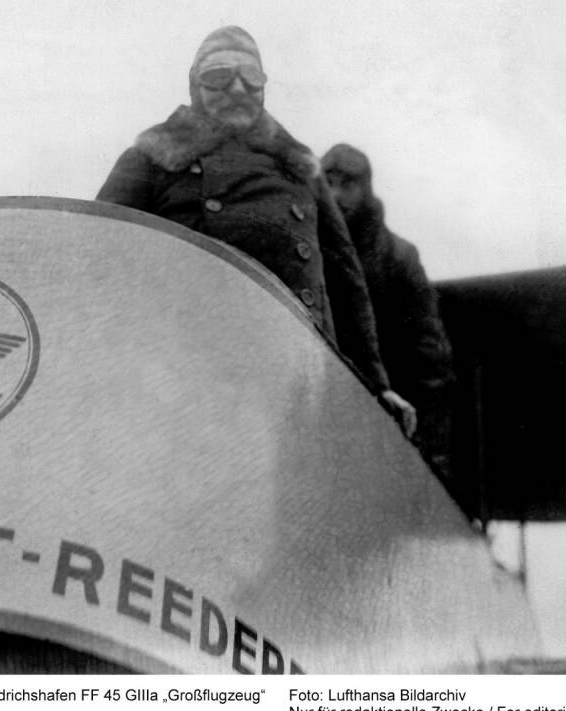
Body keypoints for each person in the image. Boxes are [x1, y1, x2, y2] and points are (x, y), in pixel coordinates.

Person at [97, 26, 415, 435]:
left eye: (251, 77)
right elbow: (99, 253)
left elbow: (344, 281)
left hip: (296, 372)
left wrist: (377, 385)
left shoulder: (299, 166)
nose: (237, 88)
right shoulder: (151, 158)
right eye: (218, 76)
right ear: (195, 85)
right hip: (187, 373)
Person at [321, 144, 456, 481]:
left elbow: (429, 356)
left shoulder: (399, 257)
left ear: (366, 188)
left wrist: (430, 449)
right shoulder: (308, 249)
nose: (336, 195)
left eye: (348, 184)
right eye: (328, 183)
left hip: (388, 416)